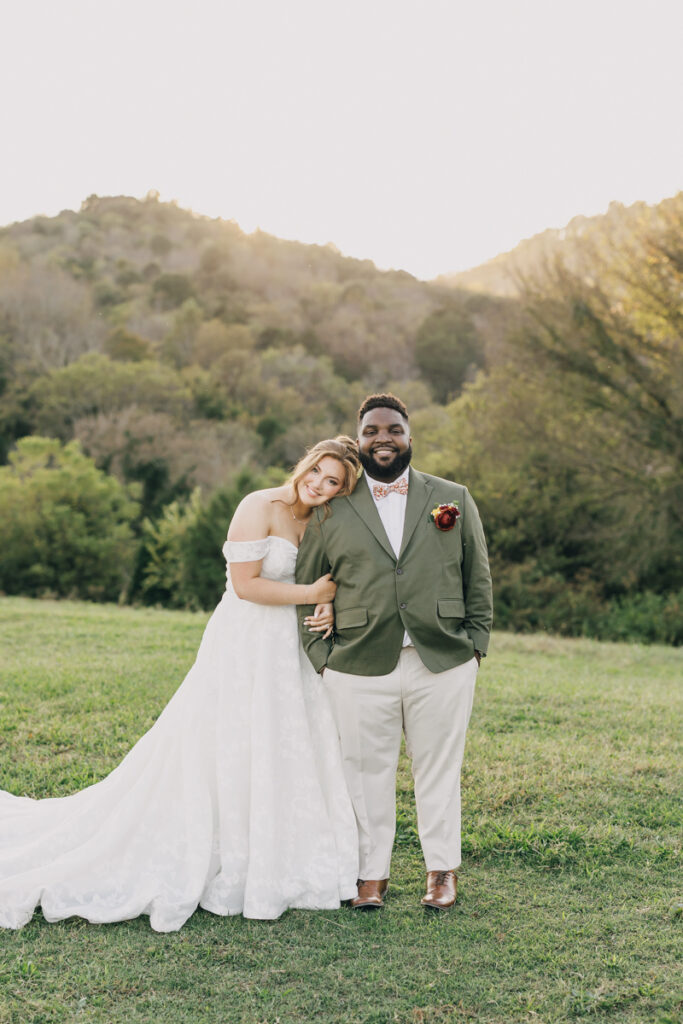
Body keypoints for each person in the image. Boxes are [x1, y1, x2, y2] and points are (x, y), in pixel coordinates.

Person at [0, 437, 361, 932]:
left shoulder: (323, 520)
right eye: (316, 472)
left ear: (343, 491)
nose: (320, 484)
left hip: (290, 649)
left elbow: (333, 575)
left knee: (285, 741)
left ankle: (282, 855)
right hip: (246, 641)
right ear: (304, 466)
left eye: (333, 482)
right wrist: (311, 592)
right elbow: (246, 585)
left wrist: (328, 600)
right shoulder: (259, 505)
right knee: (226, 741)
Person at [296, 395, 493, 910]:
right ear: (358, 441)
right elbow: (307, 584)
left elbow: (479, 577)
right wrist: (322, 655)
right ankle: (370, 876)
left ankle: (441, 872)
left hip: (444, 660)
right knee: (364, 770)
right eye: (371, 430)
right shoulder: (331, 508)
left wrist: (476, 646)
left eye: (394, 429)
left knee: (439, 769)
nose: (383, 437)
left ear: (409, 435)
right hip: (357, 661)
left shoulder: (453, 497)